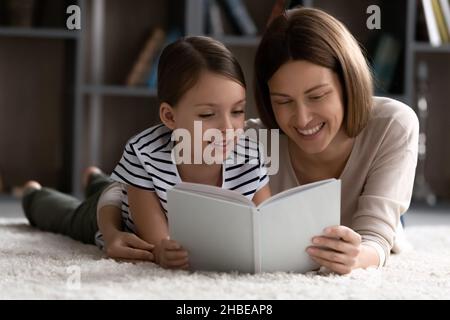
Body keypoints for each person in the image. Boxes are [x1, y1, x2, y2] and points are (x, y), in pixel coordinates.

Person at [22, 36, 271, 270]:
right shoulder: (145, 152)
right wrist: (160, 250)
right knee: (70, 218)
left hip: (126, 188)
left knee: (111, 185)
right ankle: (33, 195)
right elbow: (159, 245)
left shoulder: (252, 156)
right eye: (207, 114)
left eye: (238, 111)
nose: (228, 129)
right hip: (120, 213)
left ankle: (96, 178)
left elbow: (265, 228)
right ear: (169, 116)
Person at [248, 7, 419, 274]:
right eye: (283, 101)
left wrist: (358, 256)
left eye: (317, 96)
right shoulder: (252, 141)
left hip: (373, 209)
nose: (302, 119)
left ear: (348, 83)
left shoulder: (393, 124)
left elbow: (375, 240)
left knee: (392, 232)